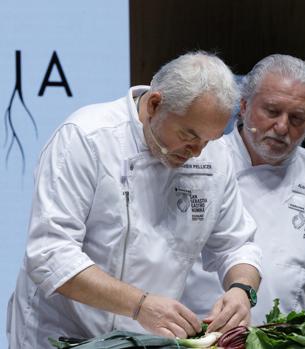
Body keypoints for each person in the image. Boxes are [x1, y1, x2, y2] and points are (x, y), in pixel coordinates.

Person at [6, 51, 262, 348]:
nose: (198, 152)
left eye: (209, 140)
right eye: (189, 136)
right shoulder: (87, 138)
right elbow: (51, 254)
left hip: (148, 336)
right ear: (155, 104)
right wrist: (140, 305)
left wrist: (242, 290)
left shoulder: (213, 157)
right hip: (62, 332)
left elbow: (237, 244)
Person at [181, 54, 305, 325]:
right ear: (243, 105)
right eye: (272, 112)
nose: (282, 127)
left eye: (297, 118)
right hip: (204, 337)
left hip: (292, 341)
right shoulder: (198, 162)